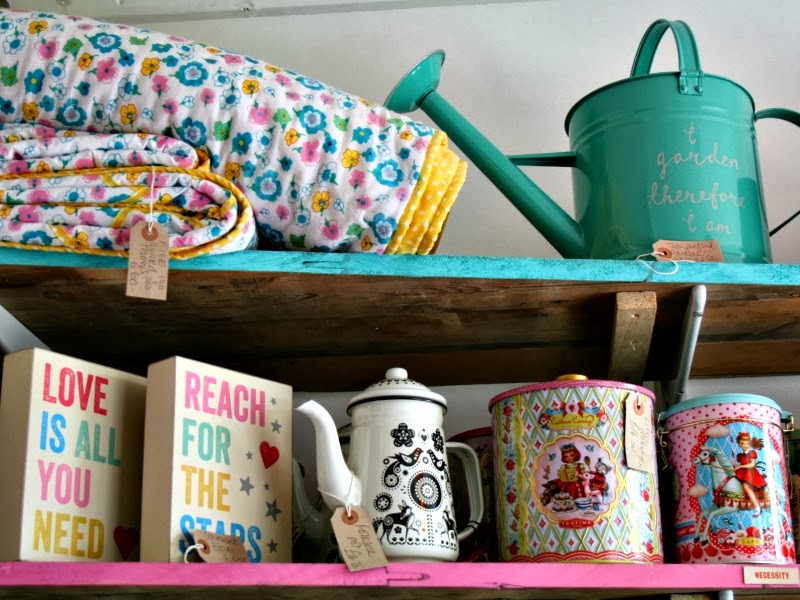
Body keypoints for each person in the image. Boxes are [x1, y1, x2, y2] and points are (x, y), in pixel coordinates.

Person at [733, 432, 767, 516]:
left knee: (745, 486)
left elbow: (752, 464)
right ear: (739, 444)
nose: (746, 445)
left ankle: (757, 507)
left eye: (748, 443)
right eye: (743, 443)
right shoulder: (740, 455)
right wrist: (734, 465)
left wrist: (740, 467)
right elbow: (739, 465)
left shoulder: (752, 452)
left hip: (751, 473)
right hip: (742, 473)